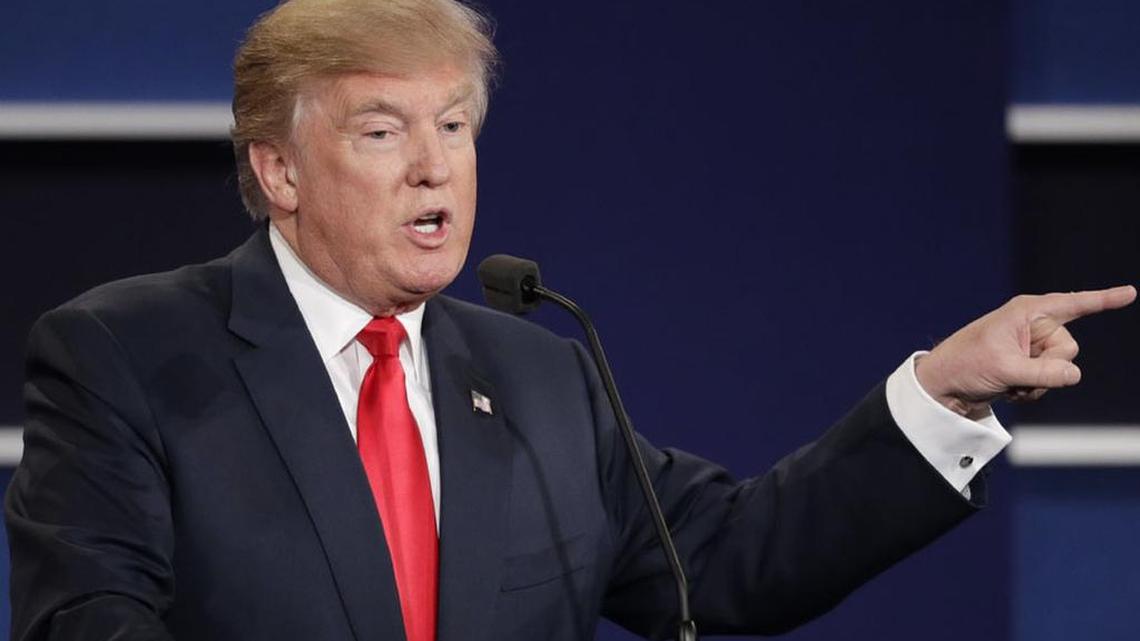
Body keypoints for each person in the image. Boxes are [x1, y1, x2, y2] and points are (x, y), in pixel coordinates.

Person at [5, 1, 1135, 640]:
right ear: (279, 170)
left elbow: (727, 559)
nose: (435, 166)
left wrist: (942, 392)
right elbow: (90, 624)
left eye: (455, 125)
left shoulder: (536, 373)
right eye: (383, 131)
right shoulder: (128, 354)